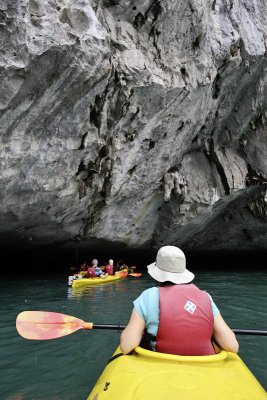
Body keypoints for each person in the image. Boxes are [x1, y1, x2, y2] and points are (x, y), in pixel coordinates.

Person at [120, 246, 239, 356]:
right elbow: (232, 346)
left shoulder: (148, 296)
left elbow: (127, 346)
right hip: (203, 366)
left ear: (157, 274)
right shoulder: (206, 297)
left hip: (160, 364)